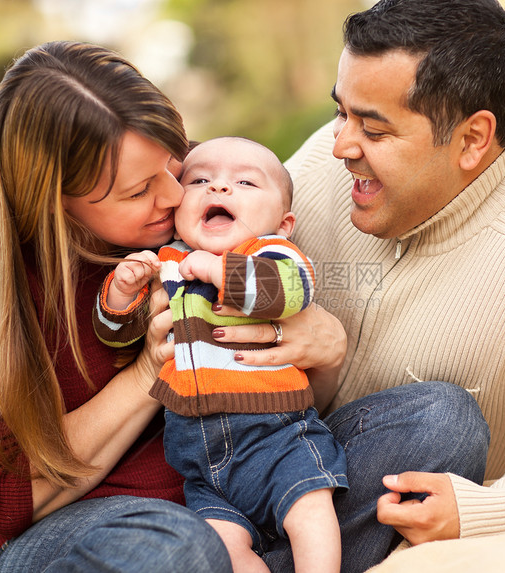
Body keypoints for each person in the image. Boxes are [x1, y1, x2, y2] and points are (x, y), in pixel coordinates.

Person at [251, 0, 505, 551]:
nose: (340, 147)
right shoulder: (322, 168)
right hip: (245, 448)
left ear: (472, 140)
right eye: (340, 113)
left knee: (443, 420)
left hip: (357, 485)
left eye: (373, 129)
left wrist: (491, 508)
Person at [0, 40, 236, 572]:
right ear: (53, 201)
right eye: (137, 193)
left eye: (172, 161)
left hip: (235, 489)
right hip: (82, 531)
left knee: (422, 421)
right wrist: (148, 371)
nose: (176, 195)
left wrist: (323, 341)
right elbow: (5, 496)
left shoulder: (200, 187)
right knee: (171, 548)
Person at [93, 136, 348, 573]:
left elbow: (289, 292)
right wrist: (120, 296)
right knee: (221, 551)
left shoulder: (272, 253)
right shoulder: (166, 263)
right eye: (200, 180)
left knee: (309, 509)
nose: (219, 189)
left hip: (276, 438)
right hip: (200, 463)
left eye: (246, 183)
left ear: (283, 223)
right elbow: (118, 339)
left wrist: (218, 270)